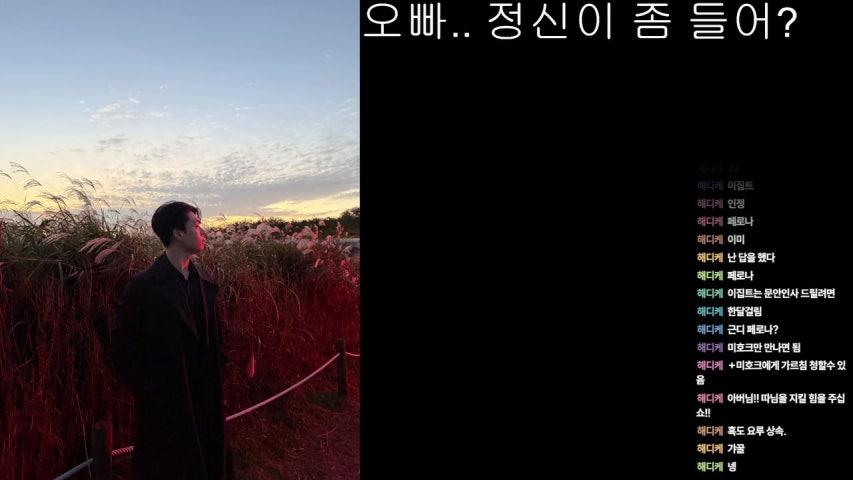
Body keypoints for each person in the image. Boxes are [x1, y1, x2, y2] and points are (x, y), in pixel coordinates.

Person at [108, 201, 235, 479]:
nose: (203, 232)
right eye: (196, 226)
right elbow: (121, 345)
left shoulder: (205, 281)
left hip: (206, 400)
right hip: (167, 406)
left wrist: (219, 370)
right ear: (178, 233)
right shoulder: (144, 286)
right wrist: (149, 393)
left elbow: (217, 334)